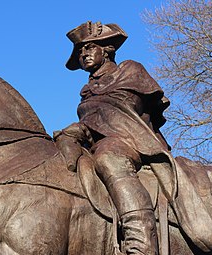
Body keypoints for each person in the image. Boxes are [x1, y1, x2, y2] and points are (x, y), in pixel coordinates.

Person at [59, 21, 176, 255]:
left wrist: (84, 127)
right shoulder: (87, 91)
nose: (83, 54)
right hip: (101, 141)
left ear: (107, 50)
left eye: (89, 48)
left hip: (131, 139)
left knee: (108, 158)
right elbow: (94, 122)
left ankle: (141, 242)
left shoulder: (130, 71)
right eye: (80, 51)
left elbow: (124, 110)